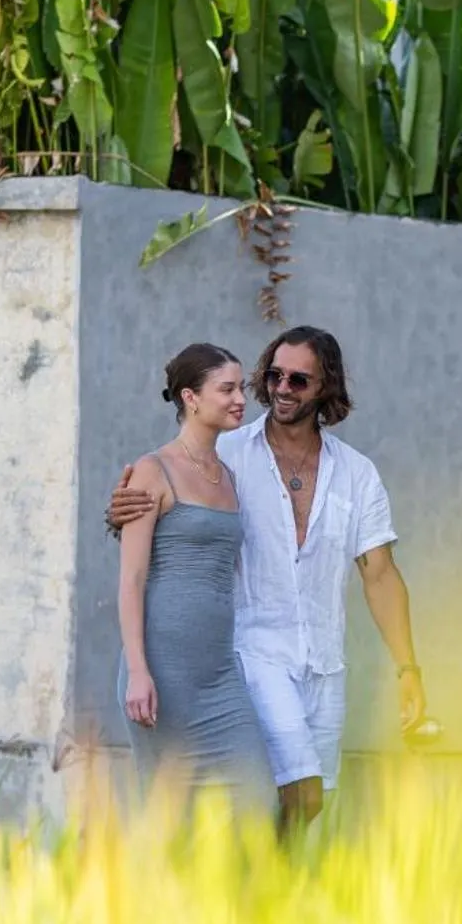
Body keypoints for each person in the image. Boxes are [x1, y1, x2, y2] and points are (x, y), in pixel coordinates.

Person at [109, 325, 428, 837]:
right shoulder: (229, 454)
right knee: (288, 789)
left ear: (326, 386)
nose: (281, 388)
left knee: (311, 799)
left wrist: (408, 667)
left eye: (298, 380)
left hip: (325, 662)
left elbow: (381, 576)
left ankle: (258, 895)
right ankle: (246, 887)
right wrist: (123, 510)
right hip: (252, 657)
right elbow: (168, 513)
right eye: (274, 375)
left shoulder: (357, 474)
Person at [115, 344, 277, 820]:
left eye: (240, 388)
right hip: (163, 671)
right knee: (173, 817)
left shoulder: (227, 476)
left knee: (256, 803)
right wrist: (139, 671)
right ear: (190, 397)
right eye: (226, 389)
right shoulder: (153, 470)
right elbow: (131, 578)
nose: (239, 399)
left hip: (219, 675)